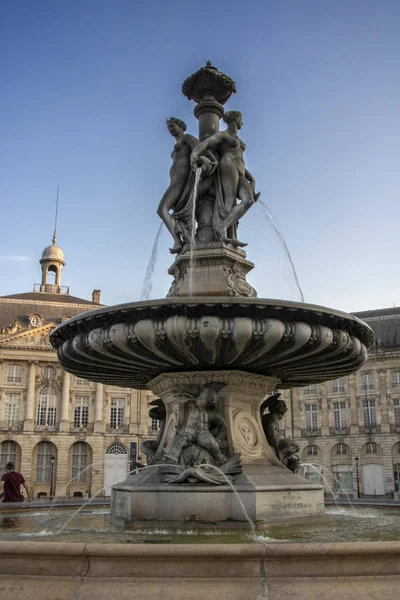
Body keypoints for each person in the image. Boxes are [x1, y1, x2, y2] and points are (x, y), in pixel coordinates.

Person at [190, 110, 259, 247]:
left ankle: (222, 226)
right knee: (230, 201)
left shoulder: (237, 139)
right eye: (240, 118)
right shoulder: (224, 135)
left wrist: (252, 179)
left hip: (240, 170)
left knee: (249, 200)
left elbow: (241, 161)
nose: (242, 122)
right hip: (227, 165)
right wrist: (195, 154)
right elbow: (207, 143)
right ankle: (228, 234)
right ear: (234, 119)